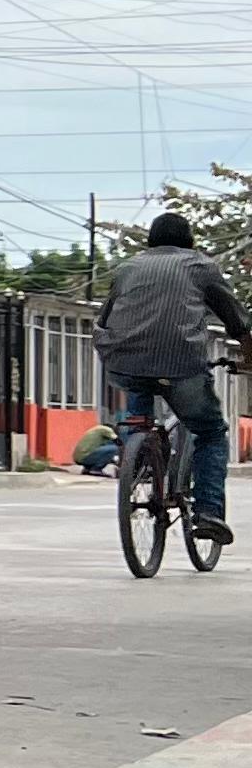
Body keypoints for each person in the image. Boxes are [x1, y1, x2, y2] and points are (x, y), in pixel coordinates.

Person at [94, 209, 249, 542]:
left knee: (141, 409)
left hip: (124, 363)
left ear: (151, 241)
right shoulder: (201, 267)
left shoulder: (127, 269)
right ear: (190, 241)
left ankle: (142, 452)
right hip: (182, 366)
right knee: (210, 432)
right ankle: (208, 512)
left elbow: (104, 319)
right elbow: (237, 322)